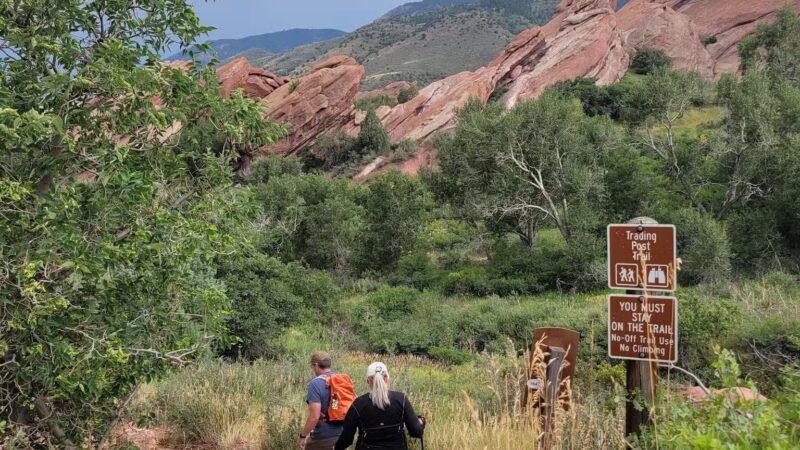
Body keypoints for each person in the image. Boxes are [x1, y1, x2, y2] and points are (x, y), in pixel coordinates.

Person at [334, 362, 425, 450]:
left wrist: (337, 447)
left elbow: (346, 438)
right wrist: (421, 422)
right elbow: (416, 432)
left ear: (368, 380)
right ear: (386, 378)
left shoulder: (358, 403)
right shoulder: (401, 399)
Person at [299, 352, 344, 450]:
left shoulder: (315, 384)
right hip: (342, 434)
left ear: (315, 364)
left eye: (312, 366)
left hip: (323, 436)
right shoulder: (341, 380)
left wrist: (303, 436)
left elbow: (314, 417)